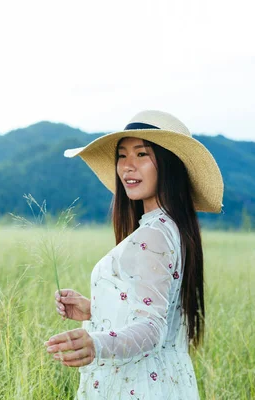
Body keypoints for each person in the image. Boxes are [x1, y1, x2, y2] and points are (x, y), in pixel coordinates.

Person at [43, 110, 224, 399]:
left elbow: (152, 329)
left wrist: (95, 344)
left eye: (141, 155)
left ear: (169, 165)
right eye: (122, 156)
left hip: (138, 385)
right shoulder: (170, 228)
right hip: (163, 381)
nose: (128, 167)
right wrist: (95, 310)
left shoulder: (153, 234)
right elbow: (155, 309)